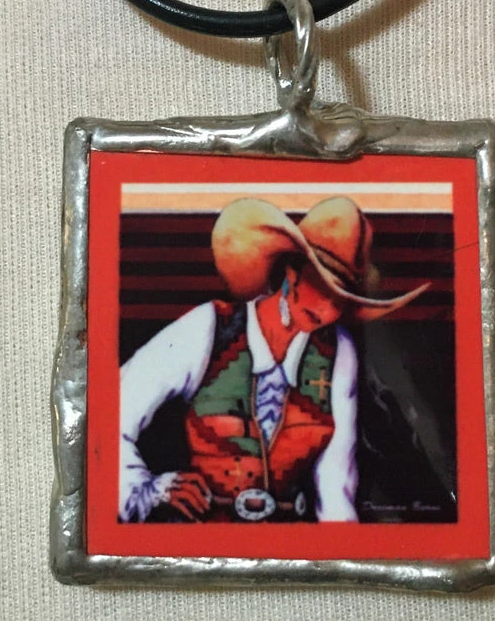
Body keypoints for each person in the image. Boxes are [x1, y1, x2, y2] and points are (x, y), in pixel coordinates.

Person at [119, 195, 429, 523]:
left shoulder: (339, 352)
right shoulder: (209, 326)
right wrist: (147, 490)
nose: (325, 309)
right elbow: (113, 409)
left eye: (339, 299)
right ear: (292, 272)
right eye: (319, 285)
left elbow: (336, 479)